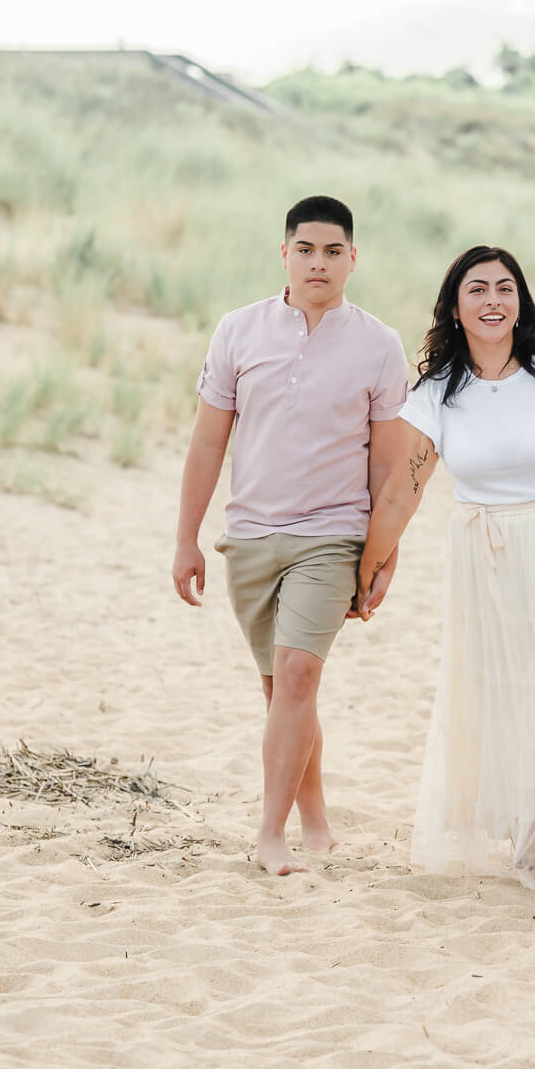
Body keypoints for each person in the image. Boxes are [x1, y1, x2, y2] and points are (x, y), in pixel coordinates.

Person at [357, 245, 535, 889]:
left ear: (521, 301)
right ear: (455, 309)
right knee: (514, 697)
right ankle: (533, 820)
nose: (493, 301)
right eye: (477, 290)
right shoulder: (436, 393)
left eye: (505, 288)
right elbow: (404, 490)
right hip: (487, 554)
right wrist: (370, 566)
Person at [172, 195, 410, 877]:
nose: (319, 262)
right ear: (284, 253)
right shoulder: (237, 331)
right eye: (306, 248)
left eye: (333, 251)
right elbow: (208, 441)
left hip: (332, 536)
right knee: (282, 692)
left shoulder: (378, 343)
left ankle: (269, 832)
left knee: (301, 676)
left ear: (353, 259)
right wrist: (186, 538)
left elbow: (389, 464)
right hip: (249, 534)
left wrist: (384, 551)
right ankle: (315, 819)